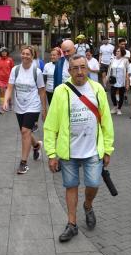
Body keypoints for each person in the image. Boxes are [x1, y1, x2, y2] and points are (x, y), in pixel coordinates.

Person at [44, 54, 114, 242]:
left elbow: (106, 121)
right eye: (75, 68)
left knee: (93, 183)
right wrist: (51, 153)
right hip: (69, 151)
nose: (80, 71)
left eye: (83, 67)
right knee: (71, 186)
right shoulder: (61, 91)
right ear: (69, 71)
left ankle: (88, 205)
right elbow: (50, 125)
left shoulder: (97, 89)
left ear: (88, 68)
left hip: (93, 149)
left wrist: (108, 148)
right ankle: (72, 224)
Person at [2, 46, 47, 175]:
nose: (25, 56)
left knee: (25, 130)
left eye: (28, 54)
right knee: (25, 132)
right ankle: (36, 145)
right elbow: (10, 87)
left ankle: (23, 163)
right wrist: (5, 101)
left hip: (33, 105)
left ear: (32, 57)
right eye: (23, 53)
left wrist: (44, 110)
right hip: (19, 106)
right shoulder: (15, 70)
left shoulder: (36, 71)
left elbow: (42, 91)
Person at [105, 46, 129, 115]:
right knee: (112, 94)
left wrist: (127, 82)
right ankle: (115, 106)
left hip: (122, 80)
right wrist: (107, 78)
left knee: (121, 95)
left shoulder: (125, 60)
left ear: (122, 52)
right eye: (116, 51)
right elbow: (109, 70)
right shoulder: (112, 60)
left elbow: (128, 71)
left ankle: (119, 109)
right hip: (113, 80)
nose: (117, 52)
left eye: (118, 51)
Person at [0, 47, 15, 114]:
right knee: (1, 93)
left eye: (5, 51)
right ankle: (2, 107)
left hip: (9, 79)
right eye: (2, 52)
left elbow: (13, 69)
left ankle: (9, 103)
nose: (4, 53)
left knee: (8, 94)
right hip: (0, 79)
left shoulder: (10, 60)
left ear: (7, 52)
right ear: (0, 53)